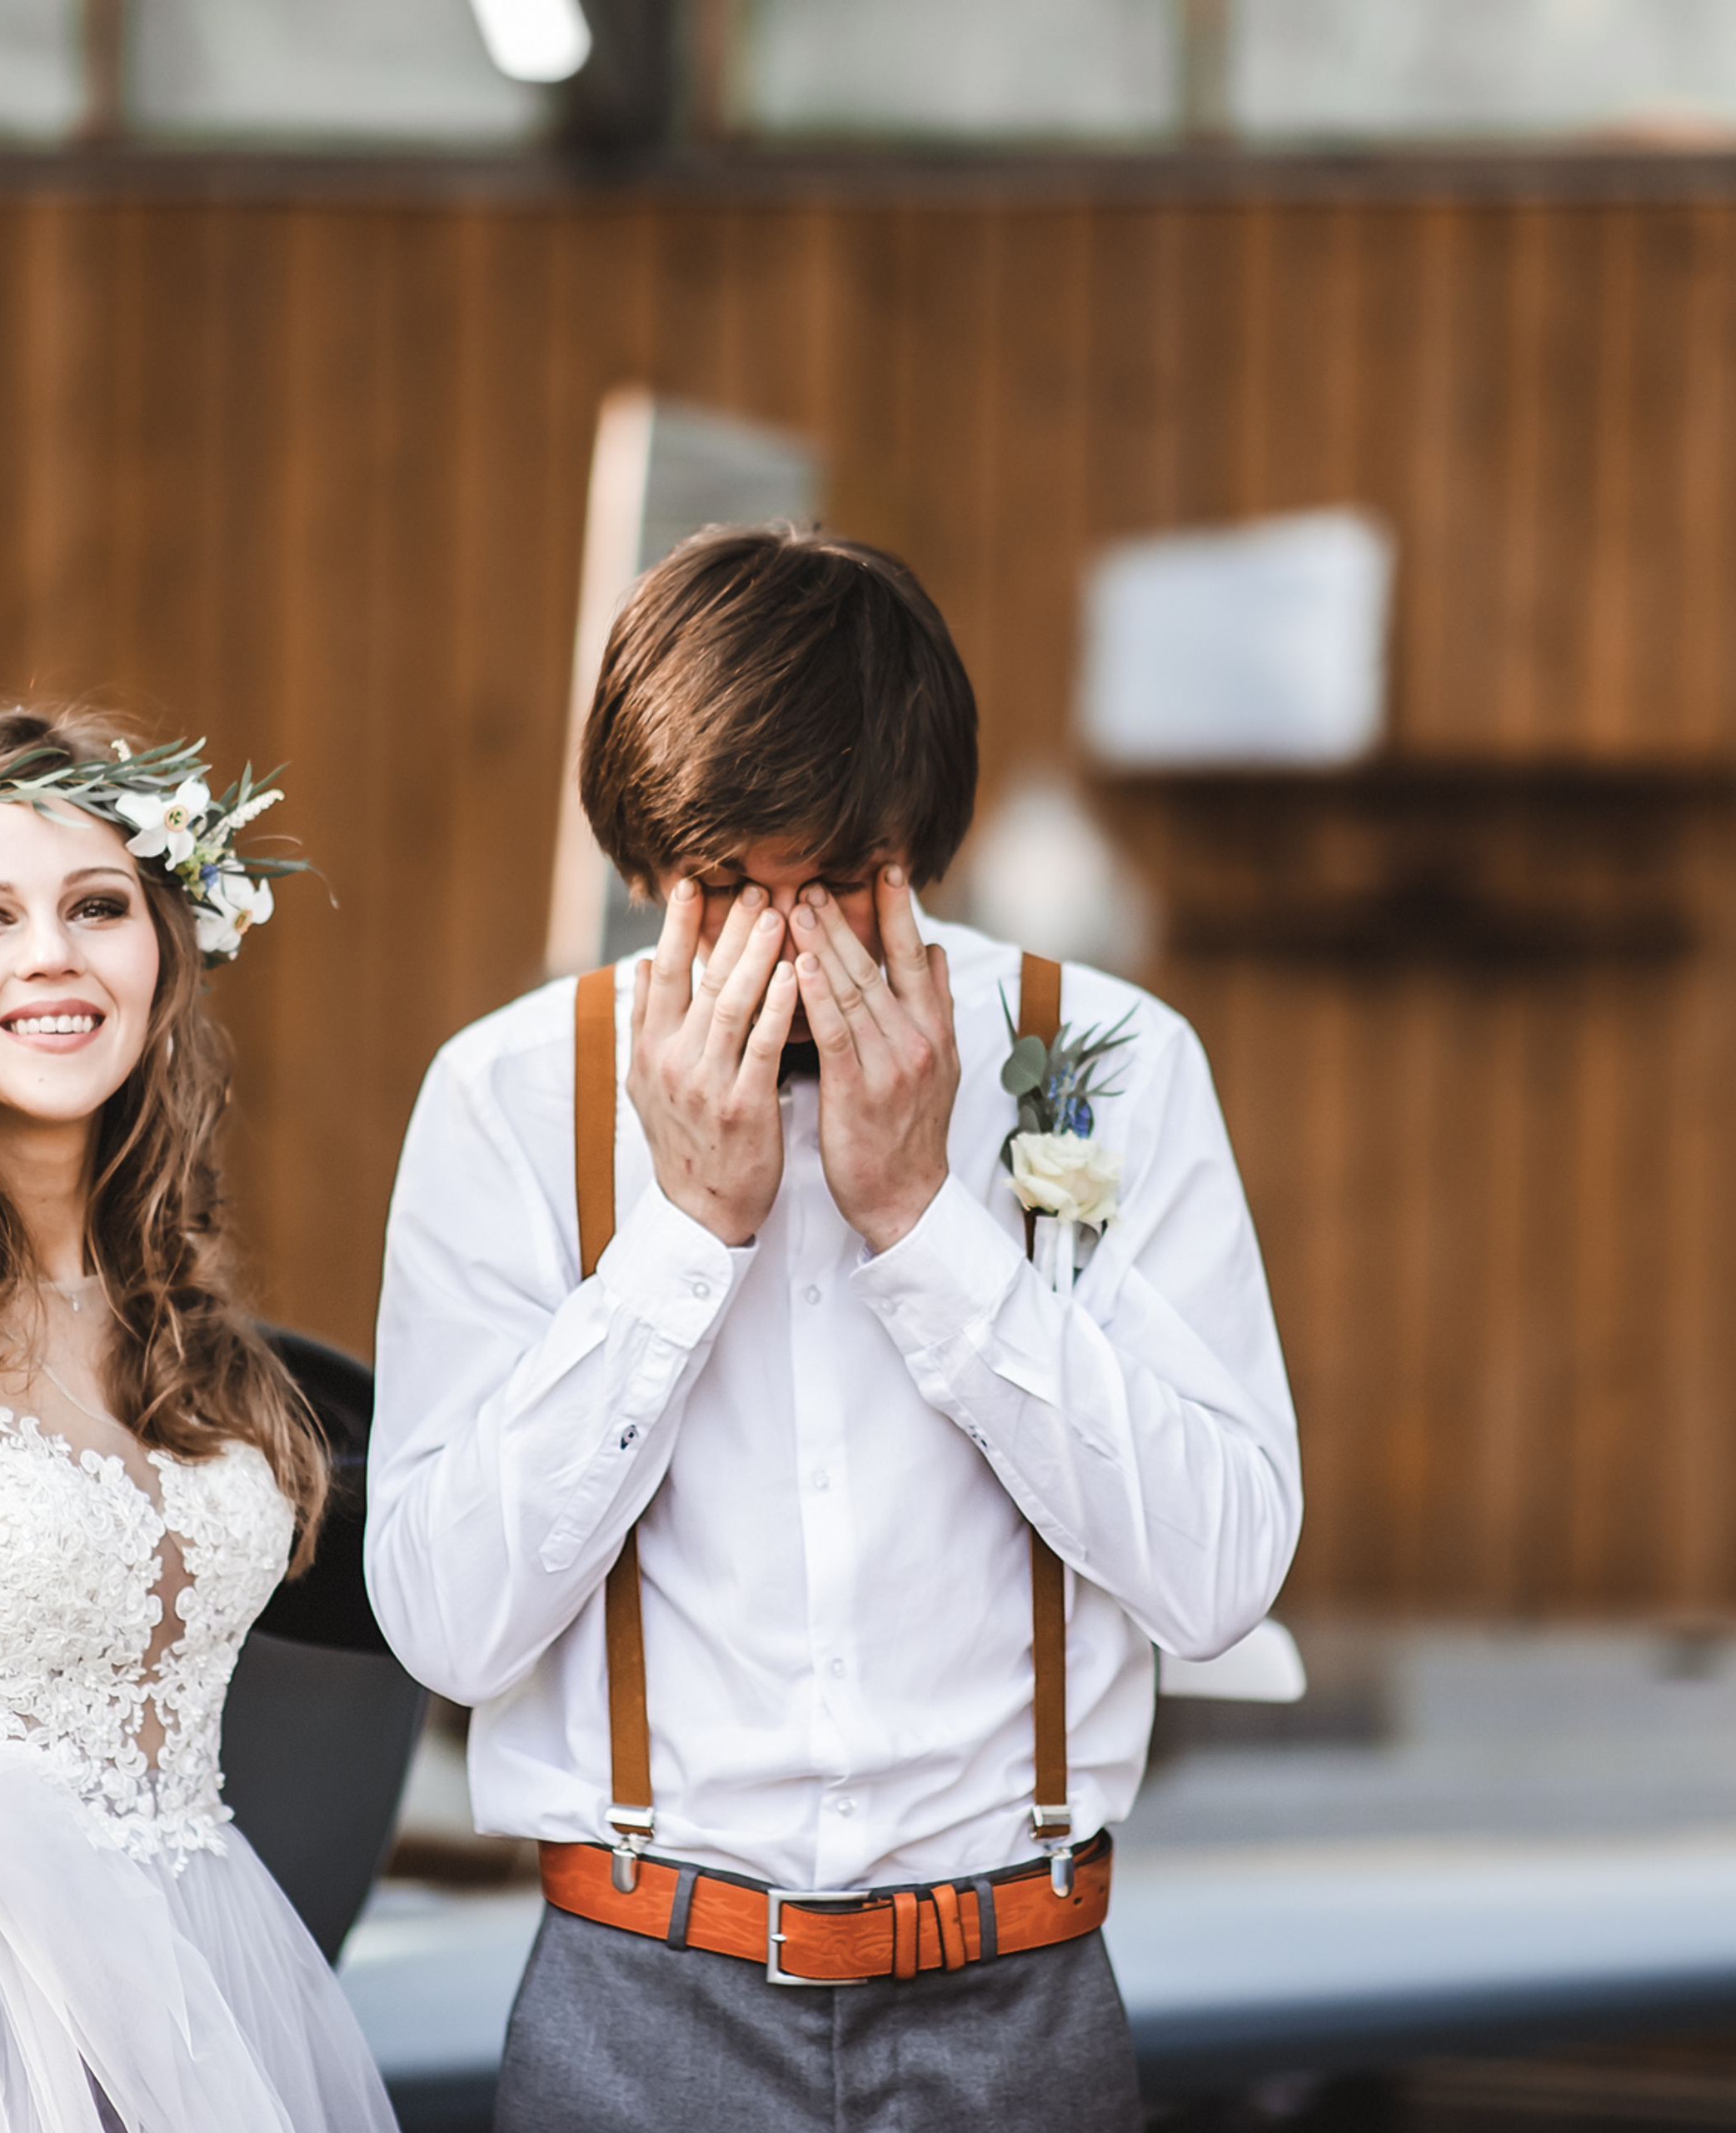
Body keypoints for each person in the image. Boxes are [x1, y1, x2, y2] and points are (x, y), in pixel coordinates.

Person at [367, 527, 1303, 2131]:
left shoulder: (1107, 1062)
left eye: (840, 887)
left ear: (919, 846)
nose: (788, 948)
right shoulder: (510, 1097)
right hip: (638, 2004)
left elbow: (1220, 1576)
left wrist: (931, 1229)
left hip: (1021, 2003)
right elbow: (448, 1627)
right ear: (648, 860)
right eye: (730, 889)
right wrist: (685, 1238)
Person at [0, 702, 398, 2132]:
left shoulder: (187, 1328)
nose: (53, 953)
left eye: (99, 905)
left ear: (163, 955)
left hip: (210, 2003)